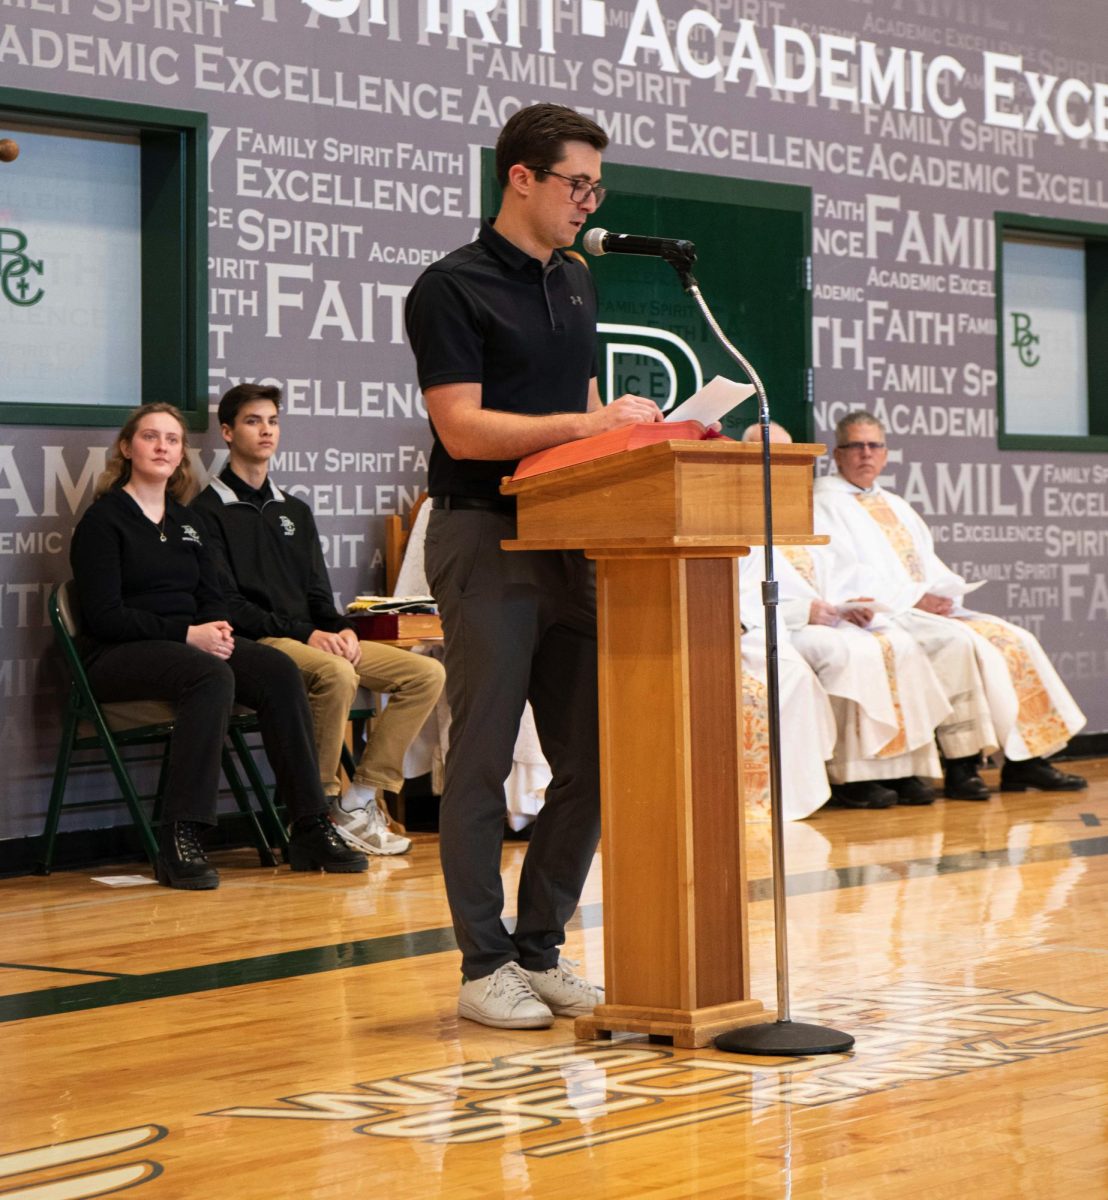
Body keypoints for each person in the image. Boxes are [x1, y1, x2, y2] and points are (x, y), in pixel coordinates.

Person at [404, 102, 664, 1029]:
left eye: (597, 186)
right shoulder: (451, 286)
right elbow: (462, 427)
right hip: (484, 535)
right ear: (521, 177)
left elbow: (581, 404)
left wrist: (630, 443)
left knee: (594, 757)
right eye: (576, 184)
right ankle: (482, 966)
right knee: (479, 761)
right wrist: (593, 426)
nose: (589, 202)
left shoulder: (578, 282)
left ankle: (539, 949)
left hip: (572, 539)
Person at [69, 403, 368, 890]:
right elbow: (105, 617)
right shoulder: (104, 521)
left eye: (172, 439)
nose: (162, 446)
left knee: (276, 669)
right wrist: (189, 636)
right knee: (211, 675)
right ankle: (180, 836)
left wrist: (217, 629)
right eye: (150, 437)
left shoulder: (187, 521)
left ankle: (309, 825)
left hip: (188, 647)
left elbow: (211, 596)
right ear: (127, 448)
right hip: (117, 654)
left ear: (182, 453)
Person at [191, 383, 445, 856]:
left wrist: (340, 628)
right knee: (335, 673)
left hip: (312, 637)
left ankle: (361, 798)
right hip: (260, 644)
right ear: (226, 432)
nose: (266, 430)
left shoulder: (295, 510)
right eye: (252, 421)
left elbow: (317, 593)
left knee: (426, 673)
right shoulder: (205, 512)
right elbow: (226, 605)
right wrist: (309, 633)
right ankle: (318, 807)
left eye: (272, 421)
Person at [814, 410, 1087, 798]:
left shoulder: (894, 503)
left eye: (874, 445)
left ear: (886, 453)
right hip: (884, 612)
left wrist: (942, 593)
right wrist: (913, 597)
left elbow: (926, 561)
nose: (865, 454)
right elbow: (841, 572)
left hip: (918, 607)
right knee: (958, 646)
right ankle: (962, 766)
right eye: (855, 446)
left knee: (1012, 638)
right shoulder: (824, 502)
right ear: (837, 454)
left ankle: (1027, 761)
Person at [740, 423, 951, 809]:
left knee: (896, 643)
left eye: (787, 456)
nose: (777, 464)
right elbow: (739, 593)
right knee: (847, 654)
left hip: (826, 617)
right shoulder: (734, 509)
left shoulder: (798, 507)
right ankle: (852, 776)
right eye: (767, 455)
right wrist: (803, 610)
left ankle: (899, 769)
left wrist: (850, 601)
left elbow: (836, 567)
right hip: (785, 626)